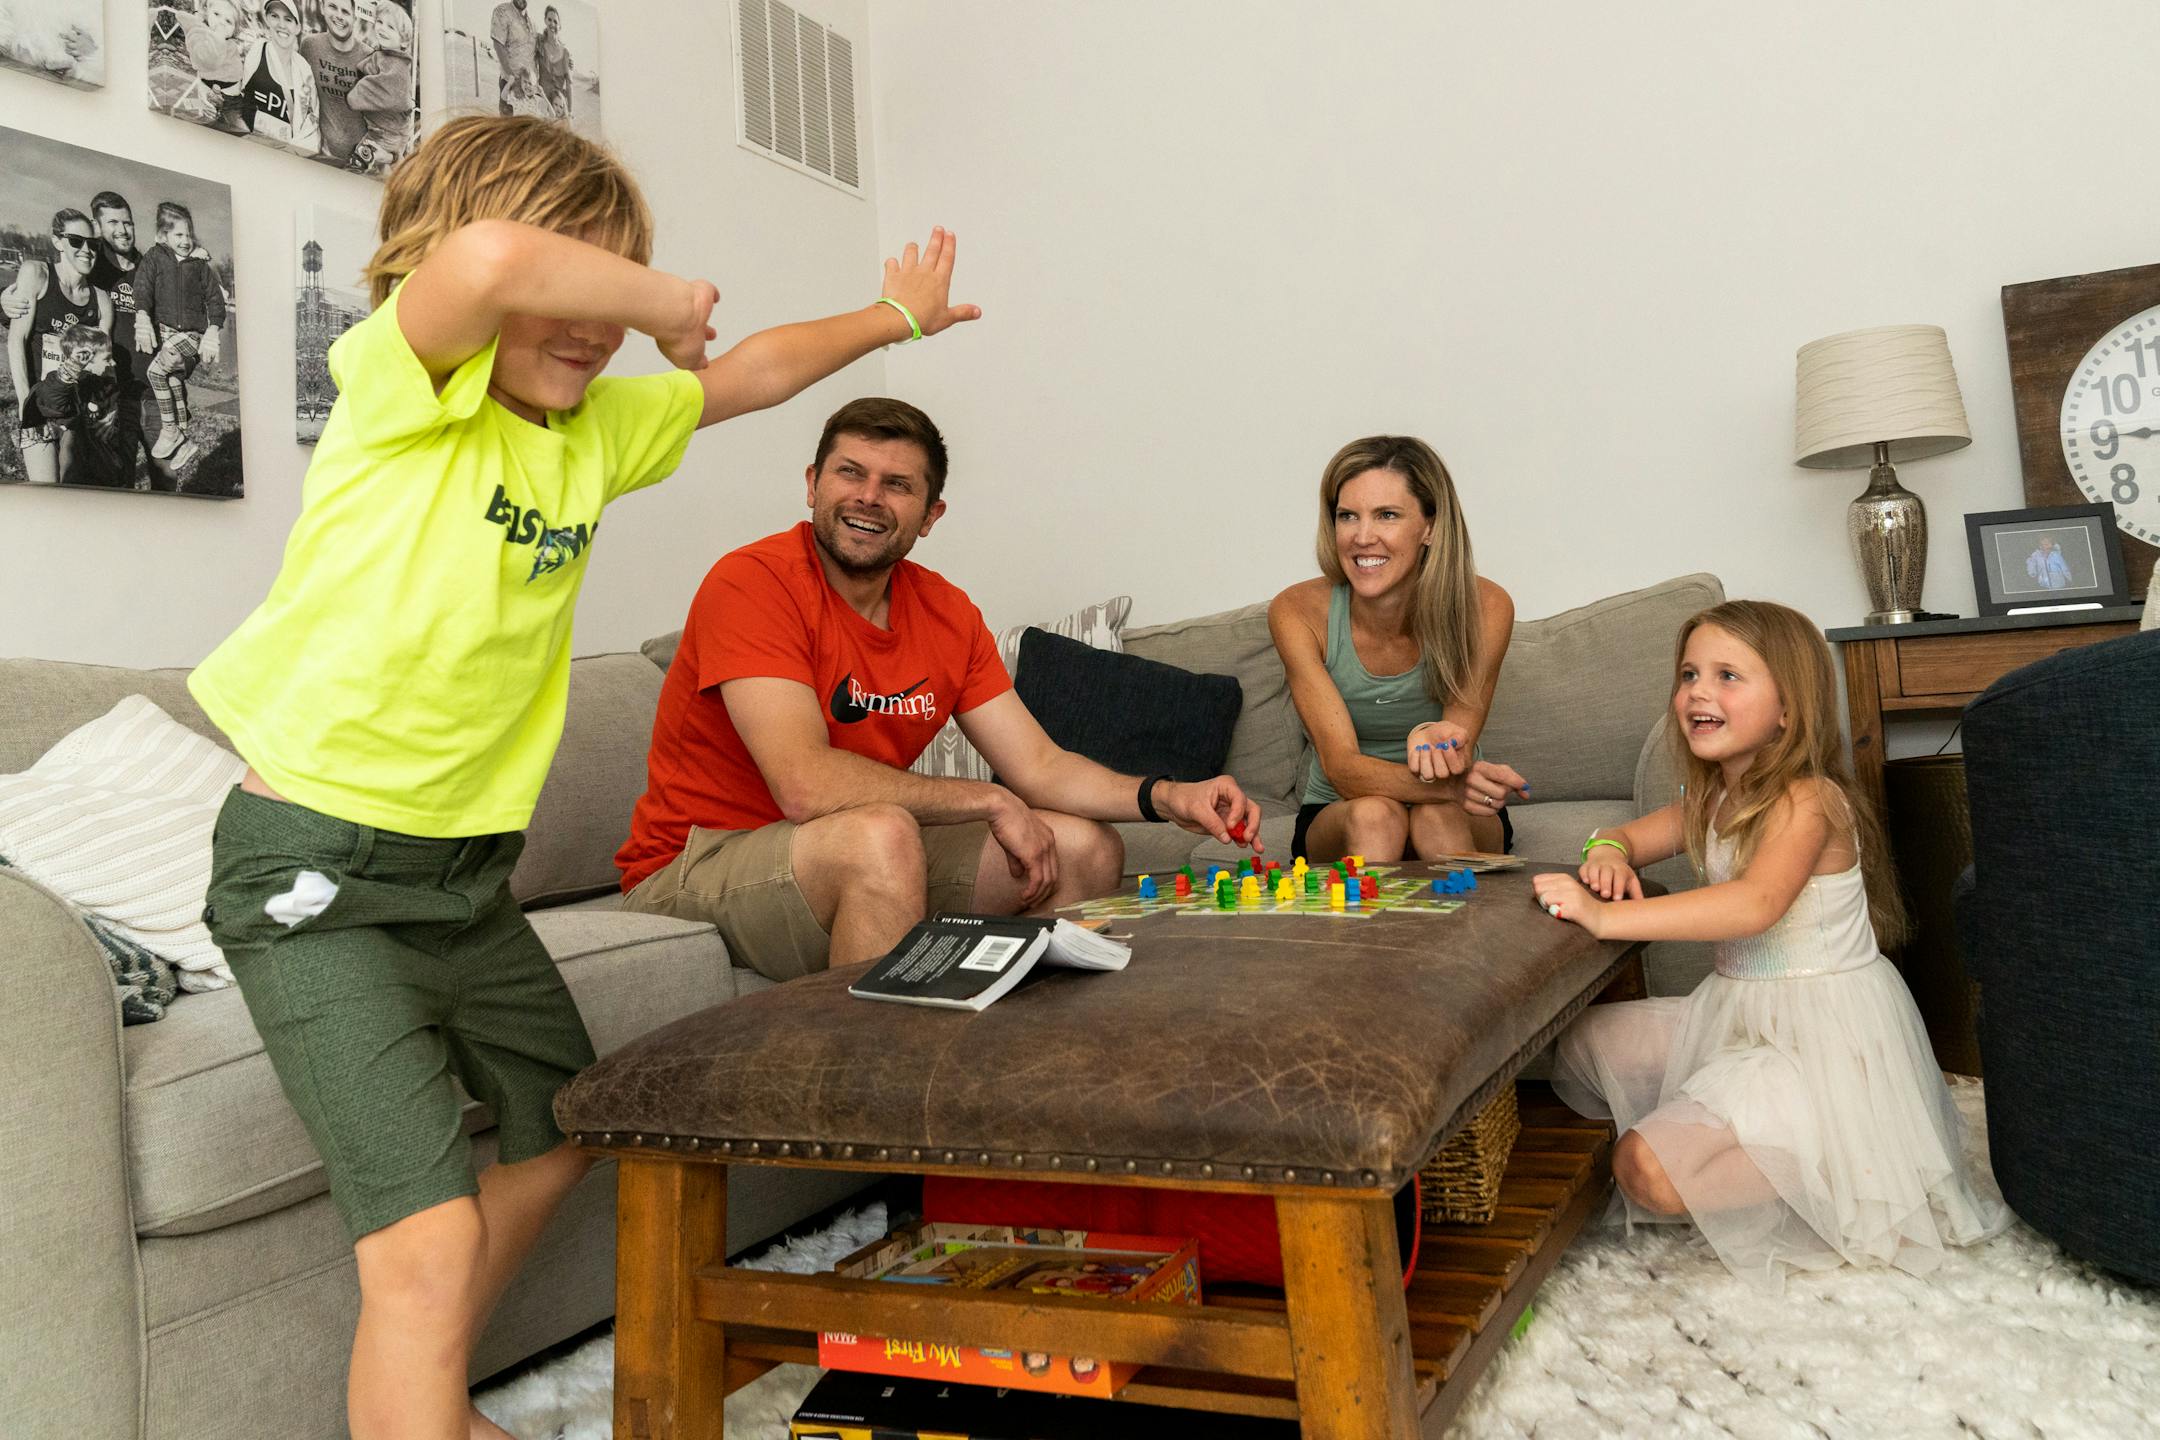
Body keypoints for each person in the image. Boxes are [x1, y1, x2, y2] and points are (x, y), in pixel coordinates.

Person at [187, 114, 978, 1439]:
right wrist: (661, 295)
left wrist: (893, 316)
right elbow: (491, 259)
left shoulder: (596, 433)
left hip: (466, 889)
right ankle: (418, 1393)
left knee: (561, 1127)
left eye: (617, 291)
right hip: (319, 873)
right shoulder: (401, 388)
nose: (600, 323)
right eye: (579, 283)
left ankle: (416, 1391)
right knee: (428, 1245)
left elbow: (761, 373)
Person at [615, 397, 1264, 980]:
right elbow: (804, 783)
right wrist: (985, 800)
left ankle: (1023, 1073)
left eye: (897, 485)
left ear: (929, 515)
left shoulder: (946, 613)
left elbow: (1040, 767)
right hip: (696, 864)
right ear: (813, 485)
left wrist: (1170, 795)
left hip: (847, 846)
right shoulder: (753, 583)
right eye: (850, 473)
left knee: (1084, 847)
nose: (869, 496)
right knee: (881, 836)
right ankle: (862, 1095)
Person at [1534, 600, 2008, 1289]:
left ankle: (1836, 1165)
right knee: (1580, 1042)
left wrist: (1605, 919)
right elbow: (1633, 836)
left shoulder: (1809, 799)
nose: (1699, 690)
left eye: (1729, 676)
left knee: (1644, 1171)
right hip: (1739, 1012)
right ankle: (1761, 1140)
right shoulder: (1709, 800)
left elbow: (1755, 903)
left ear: (1788, 709)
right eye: (1690, 673)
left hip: (1821, 1032)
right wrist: (1607, 848)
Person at [1268, 435, 1524, 863]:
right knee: (1375, 815)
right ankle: (1365, 931)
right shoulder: (1296, 611)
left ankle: (1469, 931)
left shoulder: (1487, 606)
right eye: (1347, 516)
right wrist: (1451, 785)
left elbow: (1451, 754)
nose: (1362, 537)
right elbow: (1343, 770)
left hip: (1450, 807)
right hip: (1341, 809)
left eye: (1386, 515)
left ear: (1430, 527)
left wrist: (1441, 758)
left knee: (1432, 817)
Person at [7, 209, 113, 487]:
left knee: (69, 492)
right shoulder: (36, 274)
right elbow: (16, 340)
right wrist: (24, 403)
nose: (86, 249)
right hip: (38, 406)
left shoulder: (101, 299)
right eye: (76, 241)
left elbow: (103, 364)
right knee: (45, 491)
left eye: (93, 243)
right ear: (58, 242)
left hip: (75, 414)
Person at [132, 201, 227, 472]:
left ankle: (171, 429)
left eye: (189, 235)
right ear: (163, 236)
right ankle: (183, 440)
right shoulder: (154, 257)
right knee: (171, 377)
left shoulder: (199, 266)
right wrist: (141, 315)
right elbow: (143, 287)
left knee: (155, 373)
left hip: (191, 334)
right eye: (178, 235)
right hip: (164, 332)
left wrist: (212, 331)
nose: (185, 241)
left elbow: (216, 301)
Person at [21, 322, 139, 489]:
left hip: (106, 468)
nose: (113, 363)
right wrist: (70, 370)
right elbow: (53, 401)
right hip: (79, 476)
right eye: (107, 358)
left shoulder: (105, 386)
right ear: (86, 361)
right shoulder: (73, 387)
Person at [232, 0, 322, 155]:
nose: (281, 25)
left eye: (288, 19)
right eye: (275, 16)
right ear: (267, 19)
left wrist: (292, 153)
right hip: (243, 149)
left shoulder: (304, 70)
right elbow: (231, 96)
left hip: (284, 159)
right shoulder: (253, 52)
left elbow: (311, 123)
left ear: (297, 27)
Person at [343, 0, 414, 174]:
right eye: (380, 22)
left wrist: (358, 89)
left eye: (391, 27)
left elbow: (383, 92)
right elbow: (367, 66)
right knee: (384, 169)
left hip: (386, 132)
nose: (382, 28)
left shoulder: (396, 67)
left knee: (358, 166)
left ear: (404, 42)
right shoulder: (385, 55)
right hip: (389, 129)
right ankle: (390, 164)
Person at [299, 0, 374, 164]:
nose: (339, 16)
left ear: (354, 17)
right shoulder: (309, 46)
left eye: (345, 12)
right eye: (333, 7)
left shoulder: (370, 58)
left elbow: (380, 117)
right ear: (323, 8)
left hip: (357, 162)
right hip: (317, 155)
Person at [489, 0, 536, 114]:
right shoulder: (502, 11)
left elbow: (536, 51)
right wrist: (512, 80)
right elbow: (498, 45)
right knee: (508, 128)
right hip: (510, 84)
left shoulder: (532, 23)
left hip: (529, 87)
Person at [535, 5, 572, 117]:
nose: (552, 24)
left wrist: (569, 110)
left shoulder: (565, 52)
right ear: (545, 21)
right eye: (549, 20)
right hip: (542, 101)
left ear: (560, 26)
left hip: (557, 106)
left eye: (555, 21)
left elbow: (569, 84)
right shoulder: (539, 43)